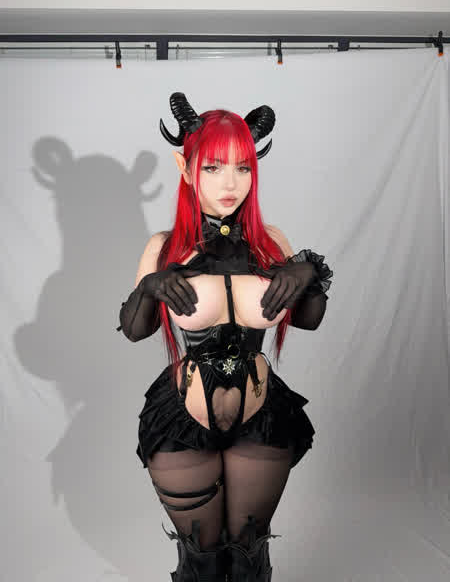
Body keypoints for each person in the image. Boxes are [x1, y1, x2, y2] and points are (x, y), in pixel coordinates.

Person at [116, 92, 333, 582]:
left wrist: (308, 273)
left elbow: (309, 320)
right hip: (183, 419)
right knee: (202, 560)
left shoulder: (270, 242)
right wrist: (150, 286)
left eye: (243, 167)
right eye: (213, 168)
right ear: (186, 168)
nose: (230, 183)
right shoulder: (165, 247)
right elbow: (135, 330)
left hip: (263, 417)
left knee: (251, 555)